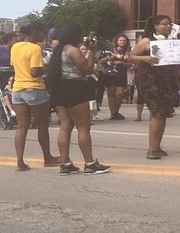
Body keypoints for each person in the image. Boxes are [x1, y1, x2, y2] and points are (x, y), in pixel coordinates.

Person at [48, 23, 110, 175]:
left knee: (65, 127)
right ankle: (89, 163)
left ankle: (65, 163)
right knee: (83, 127)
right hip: (75, 89)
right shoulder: (72, 50)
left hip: (59, 90)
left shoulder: (58, 51)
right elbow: (87, 70)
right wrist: (92, 51)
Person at [9, 21, 59, 170]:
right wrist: (47, 67)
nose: (43, 35)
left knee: (21, 127)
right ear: (34, 32)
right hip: (34, 88)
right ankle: (48, 158)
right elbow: (35, 72)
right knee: (43, 125)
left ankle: (20, 162)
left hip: (18, 89)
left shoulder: (15, 47)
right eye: (41, 32)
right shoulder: (35, 48)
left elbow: (14, 65)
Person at [132, 14, 180, 160]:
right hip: (151, 80)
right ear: (156, 26)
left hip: (168, 80)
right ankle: (152, 149)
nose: (168, 26)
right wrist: (145, 58)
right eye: (165, 24)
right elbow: (131, 56)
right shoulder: (147, 41)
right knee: (157, 113)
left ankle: (157, 146)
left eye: (170, 24)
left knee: (164, 113)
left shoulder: (172, 41)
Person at [99, 34, 133, 121]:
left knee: (119, 94)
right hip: (110, 74)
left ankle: (116, 111)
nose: (122, 42)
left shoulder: (128, 52)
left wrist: (120, 63)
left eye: (124, 40)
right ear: (117, 41)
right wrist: (108, 58)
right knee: (111, 93)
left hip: (121, 74)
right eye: (120, 40)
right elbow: (100, 61)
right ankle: (113, 113)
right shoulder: (110, 51)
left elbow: (130, 64)